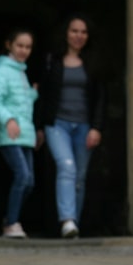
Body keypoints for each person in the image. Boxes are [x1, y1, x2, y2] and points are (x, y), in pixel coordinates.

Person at [38, 14, 106, 239]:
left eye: (83, 32)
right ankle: (67, 220)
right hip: (57, 124)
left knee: (80, 176)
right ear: (65, 34)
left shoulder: (94, 61)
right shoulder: (52, 60)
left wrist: (96, 127)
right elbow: (43, 95)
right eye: (74, 31)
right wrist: (39, 126)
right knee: (67, 167)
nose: (79, 36)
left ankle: (73, 224)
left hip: (84, 125)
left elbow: (100, 97)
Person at [0, 29, 40, 238]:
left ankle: (10, 217)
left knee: (30, 181)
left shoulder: (20, 71)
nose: (24, 50)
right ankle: (11, 223)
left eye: (28, 47)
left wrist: (33, 94)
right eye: (20, 45)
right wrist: (8, 119)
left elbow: (21, 102)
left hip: (25, 133)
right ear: (9, 45)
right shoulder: (1, 70)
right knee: (23, 176)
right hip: (9, 133)